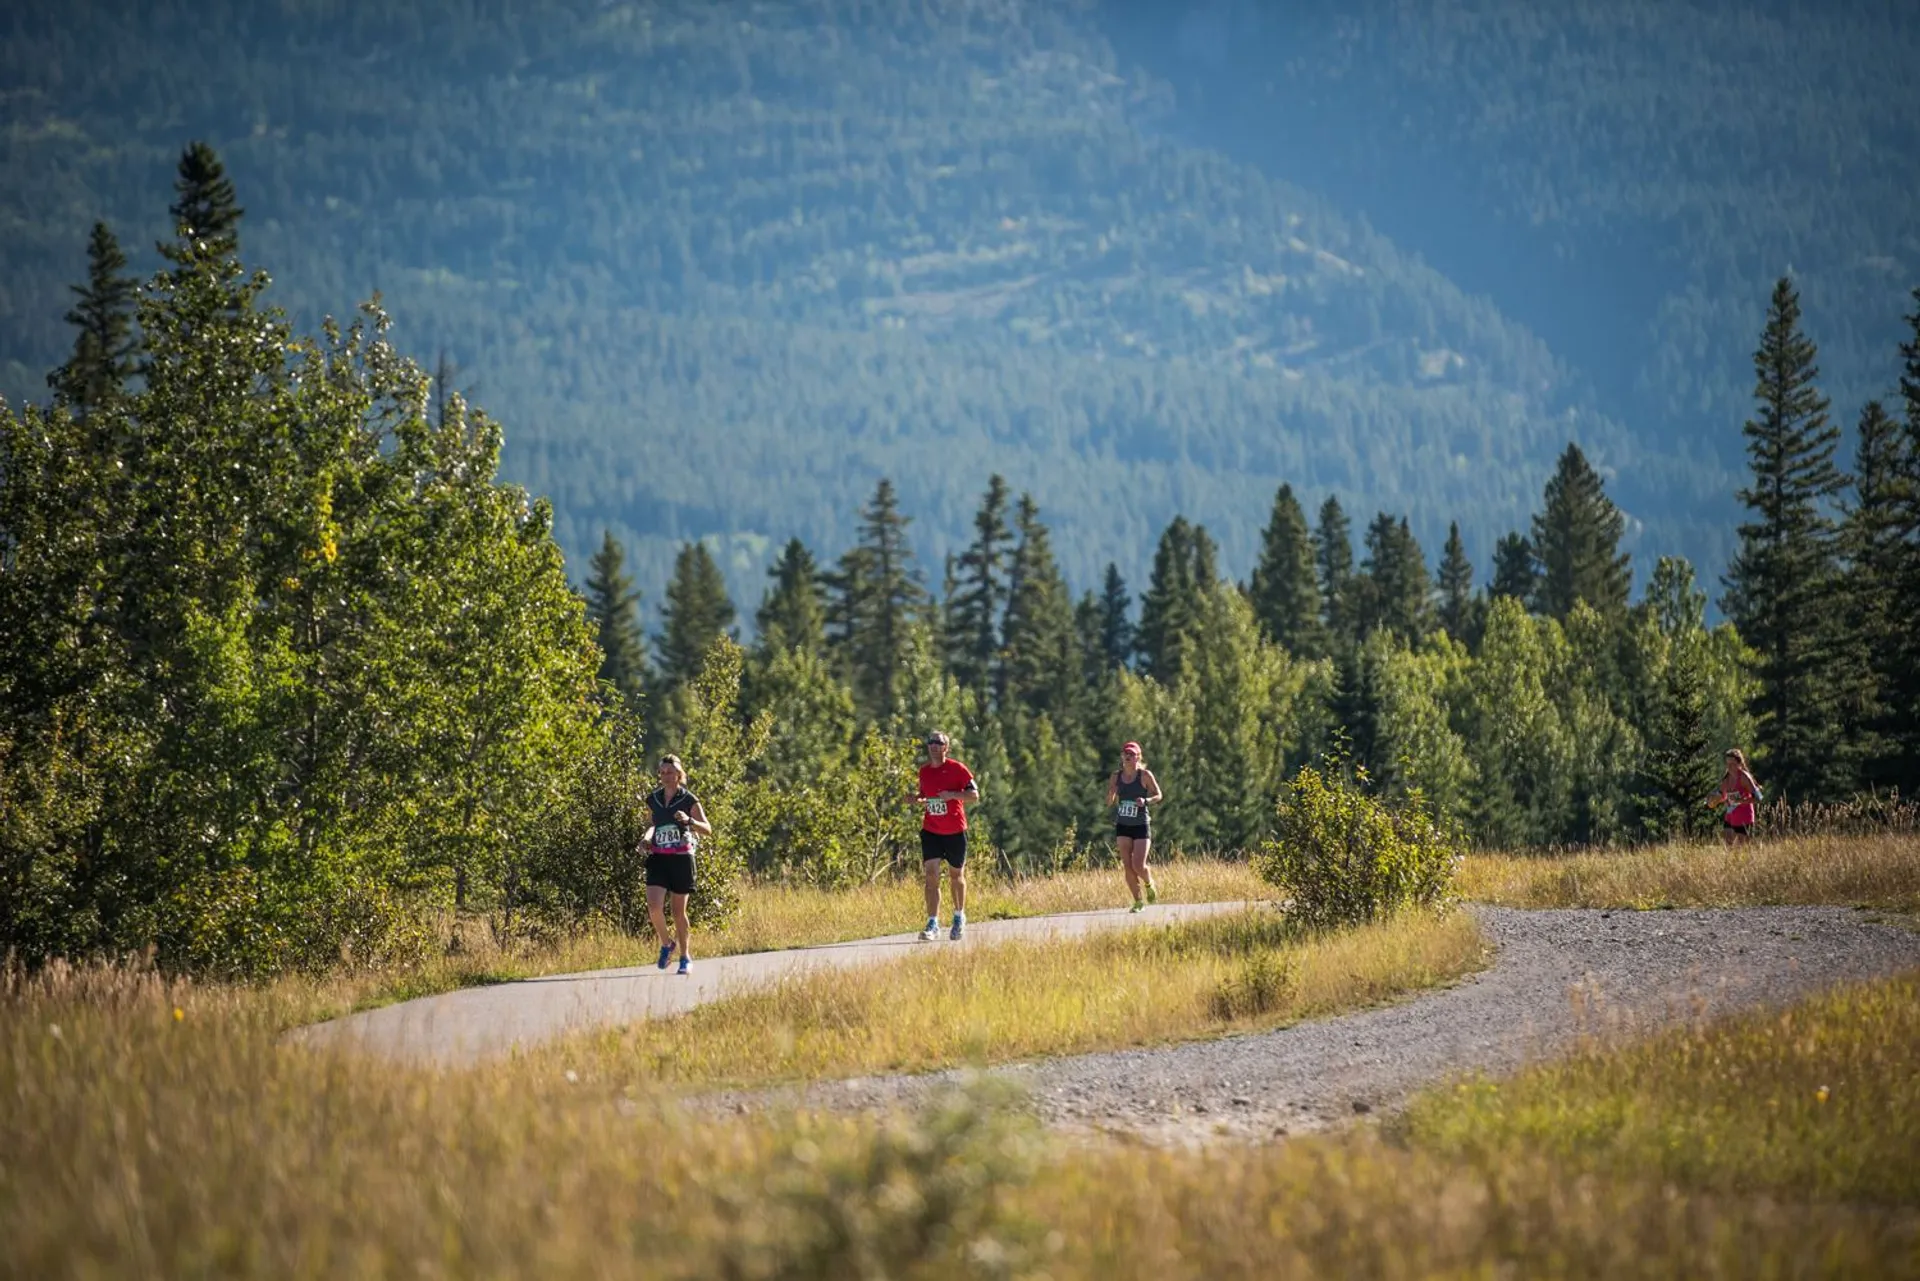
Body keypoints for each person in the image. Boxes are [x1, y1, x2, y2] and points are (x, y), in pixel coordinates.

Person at [644, 754, 712, 974]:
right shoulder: (653, 798)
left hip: (682, 858)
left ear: (679, 775)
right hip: (658, 857)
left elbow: (708, 829)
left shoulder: (688, 799)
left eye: (670, 772)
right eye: (662, 772)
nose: (665, 776)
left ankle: (685, 956)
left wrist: (690, 821)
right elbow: (651, 825)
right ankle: (667, 944)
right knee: (654, 906)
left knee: (677, 911)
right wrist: (646, 838)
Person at [908, 729, 979, 941]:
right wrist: (916, 800)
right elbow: (925, 796)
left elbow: (974, 795)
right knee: (931, 875)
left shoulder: (958, 769)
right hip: (931, 830)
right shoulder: (924, 771)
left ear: (946, 747)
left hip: (955, 831)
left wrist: (953, 795)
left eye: (938, 742)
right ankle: (933, 923)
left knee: (956, 876)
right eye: (930, 742)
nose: (933, 745)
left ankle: (959, 916)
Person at [1106, 741, 1164, 911]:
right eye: (1126, 754)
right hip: (1123, 824)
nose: (1128, 757)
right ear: (1122, 757)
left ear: (1138, 757)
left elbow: (1159, 795)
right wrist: (1111, 793)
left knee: (1138, 864)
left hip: (1141, 825)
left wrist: (1146, 801)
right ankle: (1138, 902)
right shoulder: (1116, 776)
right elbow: (1109, 802)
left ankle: (1149, 882)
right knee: (1127, 865)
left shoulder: (1145, 775)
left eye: (1132, 754)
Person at [1711, 748, 1762, 845]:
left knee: (1741, 851)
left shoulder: (1744, 777)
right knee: (1729, 848)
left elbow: (1759, 798)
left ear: (1739, 764)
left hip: (1744, 817)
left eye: (1732, 764)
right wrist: (1713, 800)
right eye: (1728, 764)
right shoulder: (1726, 778)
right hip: (1730, 816)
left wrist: (1741, 800)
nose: (1729, 767)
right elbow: (1722, 796)